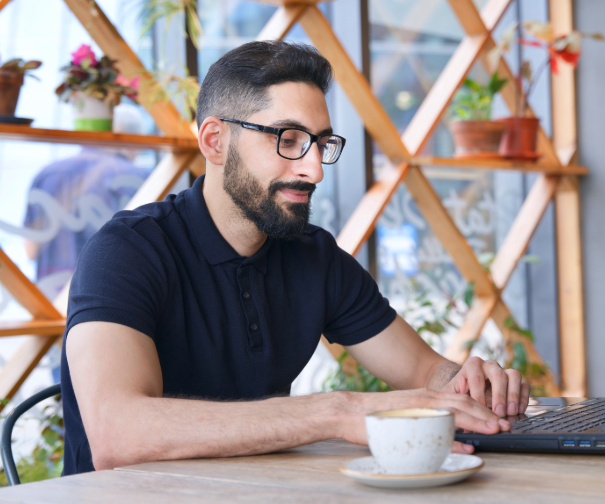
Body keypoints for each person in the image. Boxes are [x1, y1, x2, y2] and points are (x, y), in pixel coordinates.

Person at [62, 41, 530, 475]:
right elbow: (116, 433)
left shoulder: (313, 255)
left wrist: (467, 383)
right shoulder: (127, 251)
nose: (312, 169)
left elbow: (426, 372)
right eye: (287, 139)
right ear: (214, 141)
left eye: (321, 144)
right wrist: (337, 412)